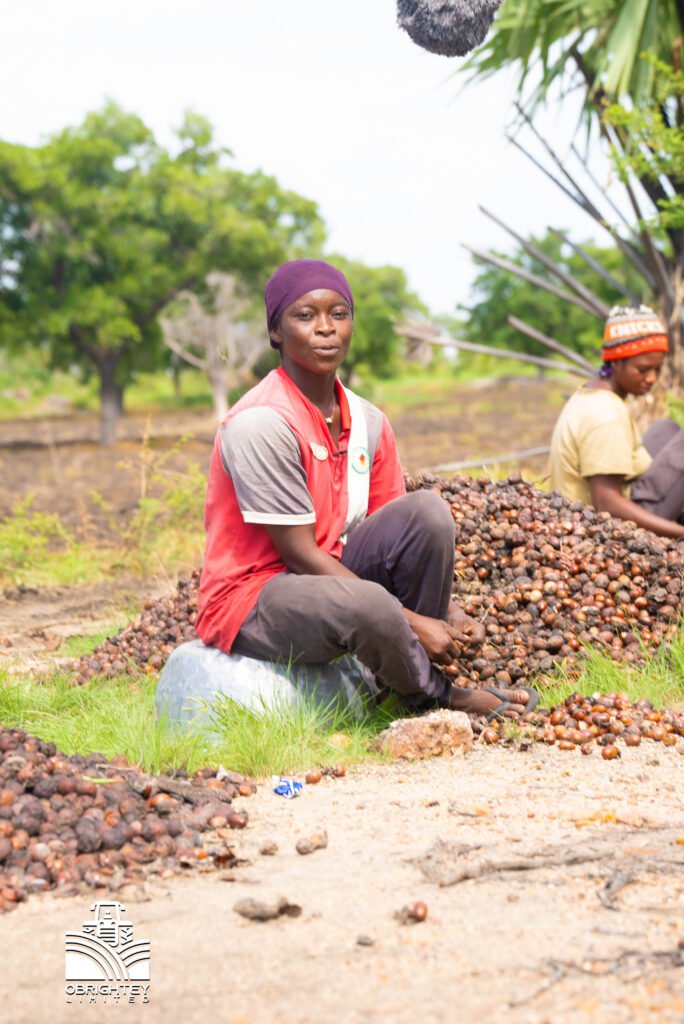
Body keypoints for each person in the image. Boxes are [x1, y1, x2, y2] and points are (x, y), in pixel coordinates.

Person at [195, 258, 535, 719]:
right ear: (276, 332)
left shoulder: (368, 422)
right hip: (254, 597)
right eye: (305, 316)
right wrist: (414, 623)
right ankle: (433, 694)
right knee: (372, 604)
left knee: (427, 514)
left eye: (339, 314)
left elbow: (396, 540)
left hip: (329, 578)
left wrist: (446, 612)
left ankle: (397, 682)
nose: (325, 329)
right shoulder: (262, 422)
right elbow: (298, 556)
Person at [549, 304, 684, 540]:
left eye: (657, 369)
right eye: (642, 369)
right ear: (615, 362)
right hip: (597, 530)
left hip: (601, 511)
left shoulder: (591, 396)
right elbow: (606, 504)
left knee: (667, 429)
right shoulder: (606, 414)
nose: (652, 378)